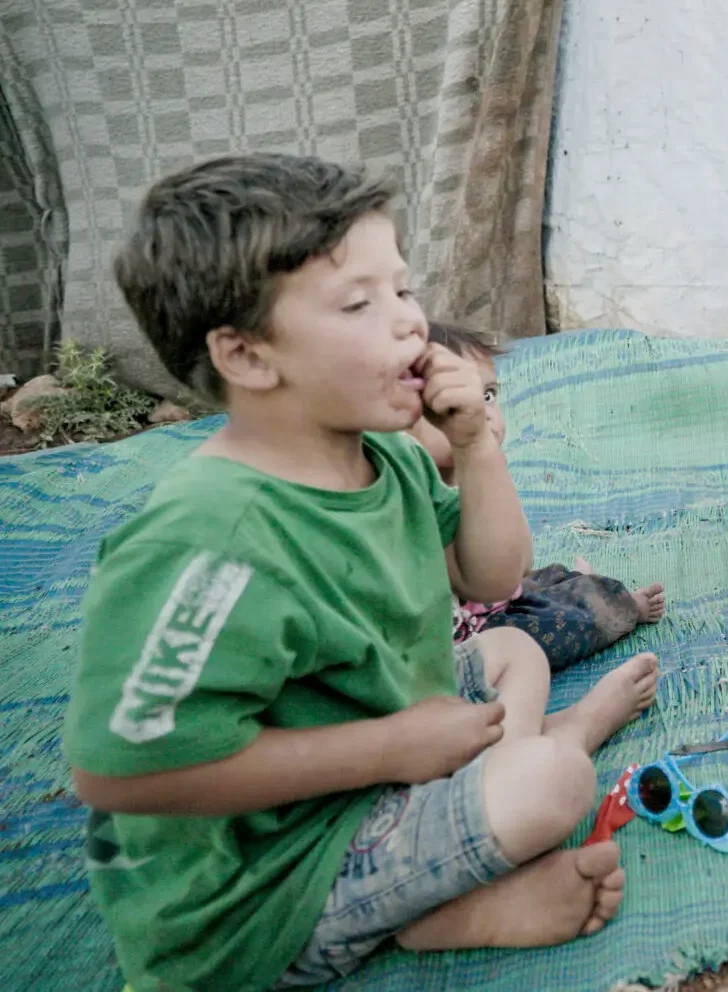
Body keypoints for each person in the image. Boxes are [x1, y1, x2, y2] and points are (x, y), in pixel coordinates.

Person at [63, 152, 659, 990]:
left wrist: (478, 446)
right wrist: (390, 748)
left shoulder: (388, 456)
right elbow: (119, 771)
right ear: (247, 356)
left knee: (513, 652)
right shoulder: (211, 539)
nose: (411, 324)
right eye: (359, 303)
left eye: (403, 290)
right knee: (553, 779)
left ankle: (474, 814)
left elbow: (493, 580)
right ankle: (428, 909)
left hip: (384, 733)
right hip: (264, 878)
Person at [406, 320, 667, 670]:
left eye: (487, 395)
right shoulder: (410, 491)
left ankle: (581, 585)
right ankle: (619, 607)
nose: (481, 413)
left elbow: (520, 561)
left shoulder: (479, 469)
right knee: (566, 622)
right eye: (452, 406)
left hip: (503, 595)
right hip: (472, 635)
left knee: (548, 577)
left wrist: (483, 459)